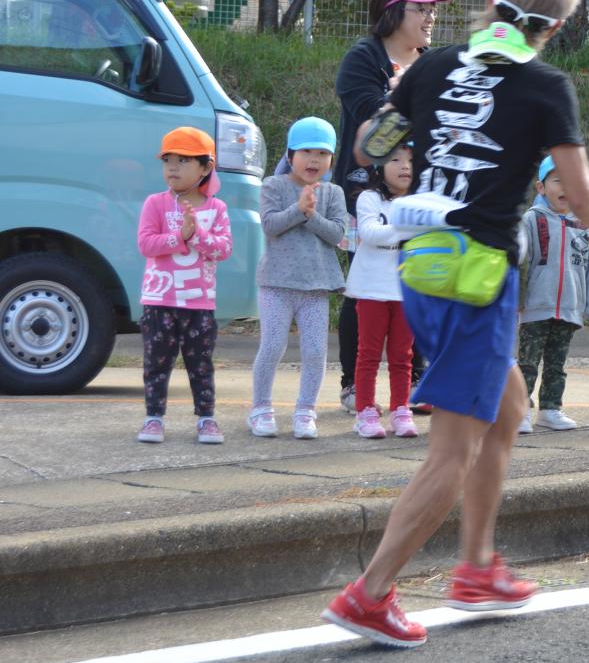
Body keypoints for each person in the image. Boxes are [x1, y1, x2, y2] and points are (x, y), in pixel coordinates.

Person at [322, 0, 589, 648]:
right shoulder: (545, 85)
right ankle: (371, 593)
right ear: (558, 21)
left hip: (423, 269)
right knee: (453, 448)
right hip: (478, 279)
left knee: (508, 405)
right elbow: (578, 192)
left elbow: (369, 145)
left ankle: (479, 565)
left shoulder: (432, 64)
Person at [333, 0, 450, 415]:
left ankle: (417, 380)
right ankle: (352, 383)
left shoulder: (430, 62)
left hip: (420, 194)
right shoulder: (362, 58)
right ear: (394, 12)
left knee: (417, 283)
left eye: (432, 9)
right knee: (364, 288)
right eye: (422, 8)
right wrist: (403, 96)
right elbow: (374, 130)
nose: (430, 16)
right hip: (365, 192)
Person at [251, 118, 348, 440]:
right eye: (306, 151)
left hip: (316, 287)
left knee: (315, 351)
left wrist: (310, 214)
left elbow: (336, 233)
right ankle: (261, 408)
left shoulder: (333, 192)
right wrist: (298, 209)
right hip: (277, 284)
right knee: (273, 345)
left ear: (331, 159)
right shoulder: (273, 186)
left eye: (322, 153)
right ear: (291, 154)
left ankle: (306, 411)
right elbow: (270, 225)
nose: (314, 159)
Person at [135, 127, 233, 445]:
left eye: (183, 160)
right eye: (168, 160)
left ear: (206, 167)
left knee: (200, 362)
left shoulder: (216, 208)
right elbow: (146, 244)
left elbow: (223, 249)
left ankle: (206, 418)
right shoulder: (155, 203)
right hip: (159, 300)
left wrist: (197, 236)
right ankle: (153, 418)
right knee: (157, 362)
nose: (173, 168)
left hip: (199, 303)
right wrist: (180, 238)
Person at [516, 155, 589, 433]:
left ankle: (551, 409)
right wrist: (515, 302)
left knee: (557, 363)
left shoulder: (586, 224)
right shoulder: (531, 219)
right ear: (541, 188)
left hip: (570, 306)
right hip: (535, 307)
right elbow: (519, 261)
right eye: (558, 180)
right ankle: (518, 412)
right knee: (527, 363)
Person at [346, 143, 417, 439]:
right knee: (369, 354)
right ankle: (365, 412)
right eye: (396, 159)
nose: (404, 166)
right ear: (379, 166)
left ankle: (401, 410)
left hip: (408, 291)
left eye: (411, 161)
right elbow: (371, 234)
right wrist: (410, 226)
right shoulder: (369, 198)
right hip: (372, 289)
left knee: (403, 356)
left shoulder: (421, 202)